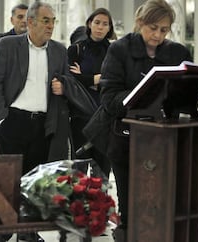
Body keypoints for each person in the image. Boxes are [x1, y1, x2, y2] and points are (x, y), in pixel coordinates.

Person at [83, 1, 192, 241]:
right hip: (125, 139)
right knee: (131, 203)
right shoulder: (120, 50)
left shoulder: (176, 52)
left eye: (164, 29)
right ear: (140, 23)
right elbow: (109, 97)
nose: (158, 34)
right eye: (153, 28)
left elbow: (187, 94)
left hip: (163, 141)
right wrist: (143, 97)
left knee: (162, 203)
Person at [0, 3, 78, 240]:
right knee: (9, 182)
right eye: (46, 20)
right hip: (13, 121)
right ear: (31, 22)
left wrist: (62, 86)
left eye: (53, 21)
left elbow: (66, 81)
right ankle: (2, 232)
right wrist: (3, 117)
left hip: (42, 125)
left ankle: (28, 233)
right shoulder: (8, 45)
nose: (50, 26)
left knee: (35, 183)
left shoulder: (59, 50)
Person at [67, 8, 115, 180]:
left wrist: (86, 78)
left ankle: (101, 205)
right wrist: (97, 78)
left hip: (106, 114)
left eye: (105, 24)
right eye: (97, 22)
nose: (100, 27)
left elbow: (115, 82)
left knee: (102, 168)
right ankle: (79, 205)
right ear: (89, 23)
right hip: (81, 114)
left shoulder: (115, 50)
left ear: (109, 28)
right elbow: (72, 81)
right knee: (79, 167)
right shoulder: (76, 49)